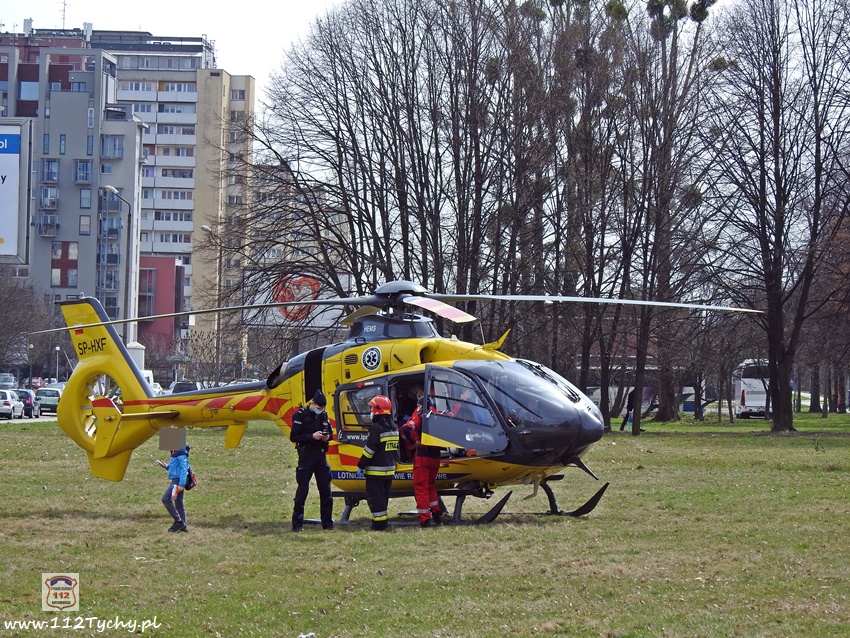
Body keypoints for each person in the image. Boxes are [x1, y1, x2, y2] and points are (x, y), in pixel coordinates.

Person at [289, 389, 334, 532]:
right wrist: (312, 436)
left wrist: (327, 437)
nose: (320, 410)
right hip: (307, 456)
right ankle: (297, 524)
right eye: (318, 408)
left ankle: (327, 523)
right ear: (313, 404)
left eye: (322, 408)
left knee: (326, 491)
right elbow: (294, 436)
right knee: (302, 491)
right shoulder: (300, 415)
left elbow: (331, 433)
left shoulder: (324, 415)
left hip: (320, 456)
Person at [400, 386, 443, 528]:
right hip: (435, 455)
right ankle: (436, 512)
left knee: (421, 487)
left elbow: (406, 428)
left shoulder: (420, 415)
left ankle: (425, 519)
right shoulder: (438, 415)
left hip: (423, 455)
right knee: (430, 484)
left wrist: (414, 442)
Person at [356, 395, 399, 531]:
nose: (370, 411)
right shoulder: (393, 427)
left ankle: (379, 525)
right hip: (389, 470)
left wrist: (360, 465)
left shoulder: (376, 428)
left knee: (375, 499)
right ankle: (381, 523)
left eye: (371, 409)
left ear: (377, 410)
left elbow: (369, 450)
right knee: (383, 498)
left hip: (375, 471)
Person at [159, 445, 190, 533]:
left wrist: (181, 484)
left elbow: (184, 469)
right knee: (179, 503)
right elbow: (176, 467)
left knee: (165, 499)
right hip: (177, 479)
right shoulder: (174, 451)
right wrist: (167, 466)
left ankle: (179, 521)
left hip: (178, 480)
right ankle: (183, 526)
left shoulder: (180, 451)